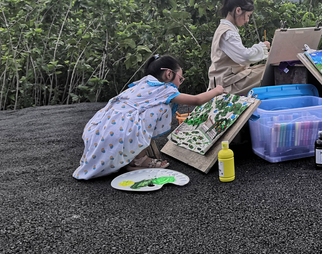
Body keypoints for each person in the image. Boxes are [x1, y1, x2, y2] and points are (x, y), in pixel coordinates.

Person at [73, 55, 224, 180]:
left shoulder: (143, 84)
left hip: (101, 128)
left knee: (149, 111)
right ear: (169, 74)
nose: (179, 83)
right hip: (120, 131)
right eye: (180, 78)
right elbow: (197, 100)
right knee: (162, 108)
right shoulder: (164, 89)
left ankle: (130, 159)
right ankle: (139, 159)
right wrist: (217, 90)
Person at [207, 0, 270, 96]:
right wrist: (262, 47)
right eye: (248, 15)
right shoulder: (228, 33)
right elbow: (245, 57)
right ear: (238, 10)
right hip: (226, 84)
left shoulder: (227, 29)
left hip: (229, 80)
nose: (247, 20)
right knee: (270, 72)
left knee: (266, 69)